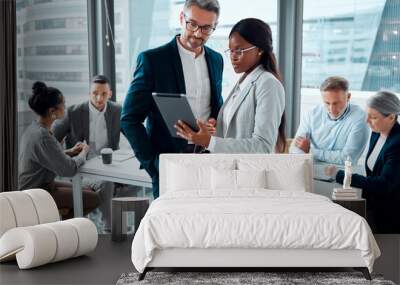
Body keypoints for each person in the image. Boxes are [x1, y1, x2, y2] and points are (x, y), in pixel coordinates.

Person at [121, 0, 223, 199]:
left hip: (209, 163)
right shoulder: (153, 60)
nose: (197, 33)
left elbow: (215, 104)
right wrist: (153, 163)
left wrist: (215, 122)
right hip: (170, 167)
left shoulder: (217, 59)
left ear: (214, 27)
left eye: (206, 28)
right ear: (181, 18)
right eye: (192, 24)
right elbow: (129, 119)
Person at [175, 18, 286, 153]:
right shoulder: (242, 83)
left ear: (260, 50)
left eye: (239, 51)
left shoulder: (268, 84)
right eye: (231, 51)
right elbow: (233, 136)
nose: (233, 57)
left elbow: (263, 147)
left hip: (247, 172)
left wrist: (210, 141)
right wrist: (211, 133)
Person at [19, 81, 100, 218]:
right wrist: (84, 152)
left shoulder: (35, 129)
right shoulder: (43, 137)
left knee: (87, 190)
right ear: (52, 111)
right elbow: (69, 169)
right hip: (37, 193)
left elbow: (45, 157)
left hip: (42, 185)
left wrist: (69, 151)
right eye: (63, 104)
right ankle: (66, 225)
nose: (65, 107)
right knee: (94, 199)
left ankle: (65, 221)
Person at [52, 75, 121, 230]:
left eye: (104, 94)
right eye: (95, 93)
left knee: (113, 182)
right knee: (107, 183)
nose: (99, 98)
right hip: (80, 169)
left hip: (107, 167)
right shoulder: (73, 112)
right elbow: (51, 140)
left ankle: (104, 227)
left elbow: (132, 133)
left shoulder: (117, 111)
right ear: (89, 93)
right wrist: (67, 154)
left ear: (110, 93)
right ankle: (108, 228)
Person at [335, 91, 400, 233]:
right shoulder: (377, 132)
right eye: (367, 115)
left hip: (391, 215)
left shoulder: (397, 144)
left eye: (374, 117)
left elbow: (385, 184)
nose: (367, 121)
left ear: (391, 117)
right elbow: (373, 172)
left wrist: (347, 177)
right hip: (373, 208)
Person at [290, 76, 369, 165]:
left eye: (336, 103)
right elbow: (295, 149)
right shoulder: (311, 114)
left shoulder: (360, 118)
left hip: (342, 176)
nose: (332, 109)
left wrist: (310, 151)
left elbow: (348, 158)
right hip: (311, 171)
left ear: (348, 97)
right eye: (327, 103)